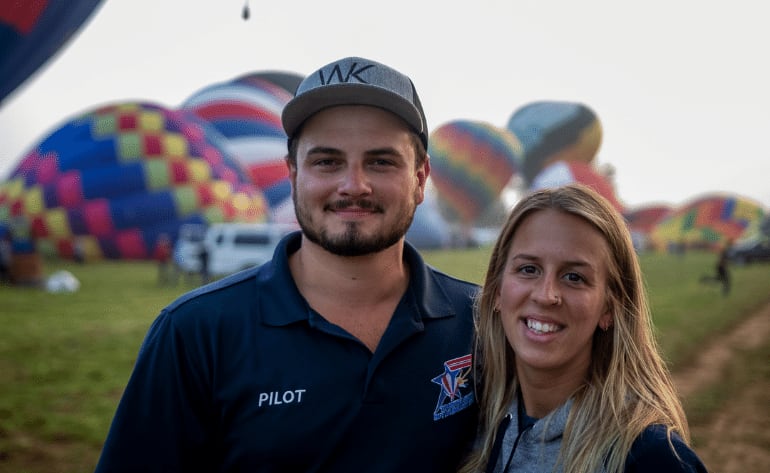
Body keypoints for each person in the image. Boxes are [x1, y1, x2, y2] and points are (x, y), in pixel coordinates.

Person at [94, 56, 478, 472]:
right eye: (327, 162)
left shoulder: (481, 324)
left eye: (381, 162)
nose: (354, 186)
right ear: (293, 176)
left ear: (420, 180)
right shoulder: (195, 332)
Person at [459, 184, 707, 473]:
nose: (546, 294)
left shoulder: (649, 457)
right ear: (497, 290)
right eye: (528, 269)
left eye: (574, 277)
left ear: (609, 308)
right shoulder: (477, 426)